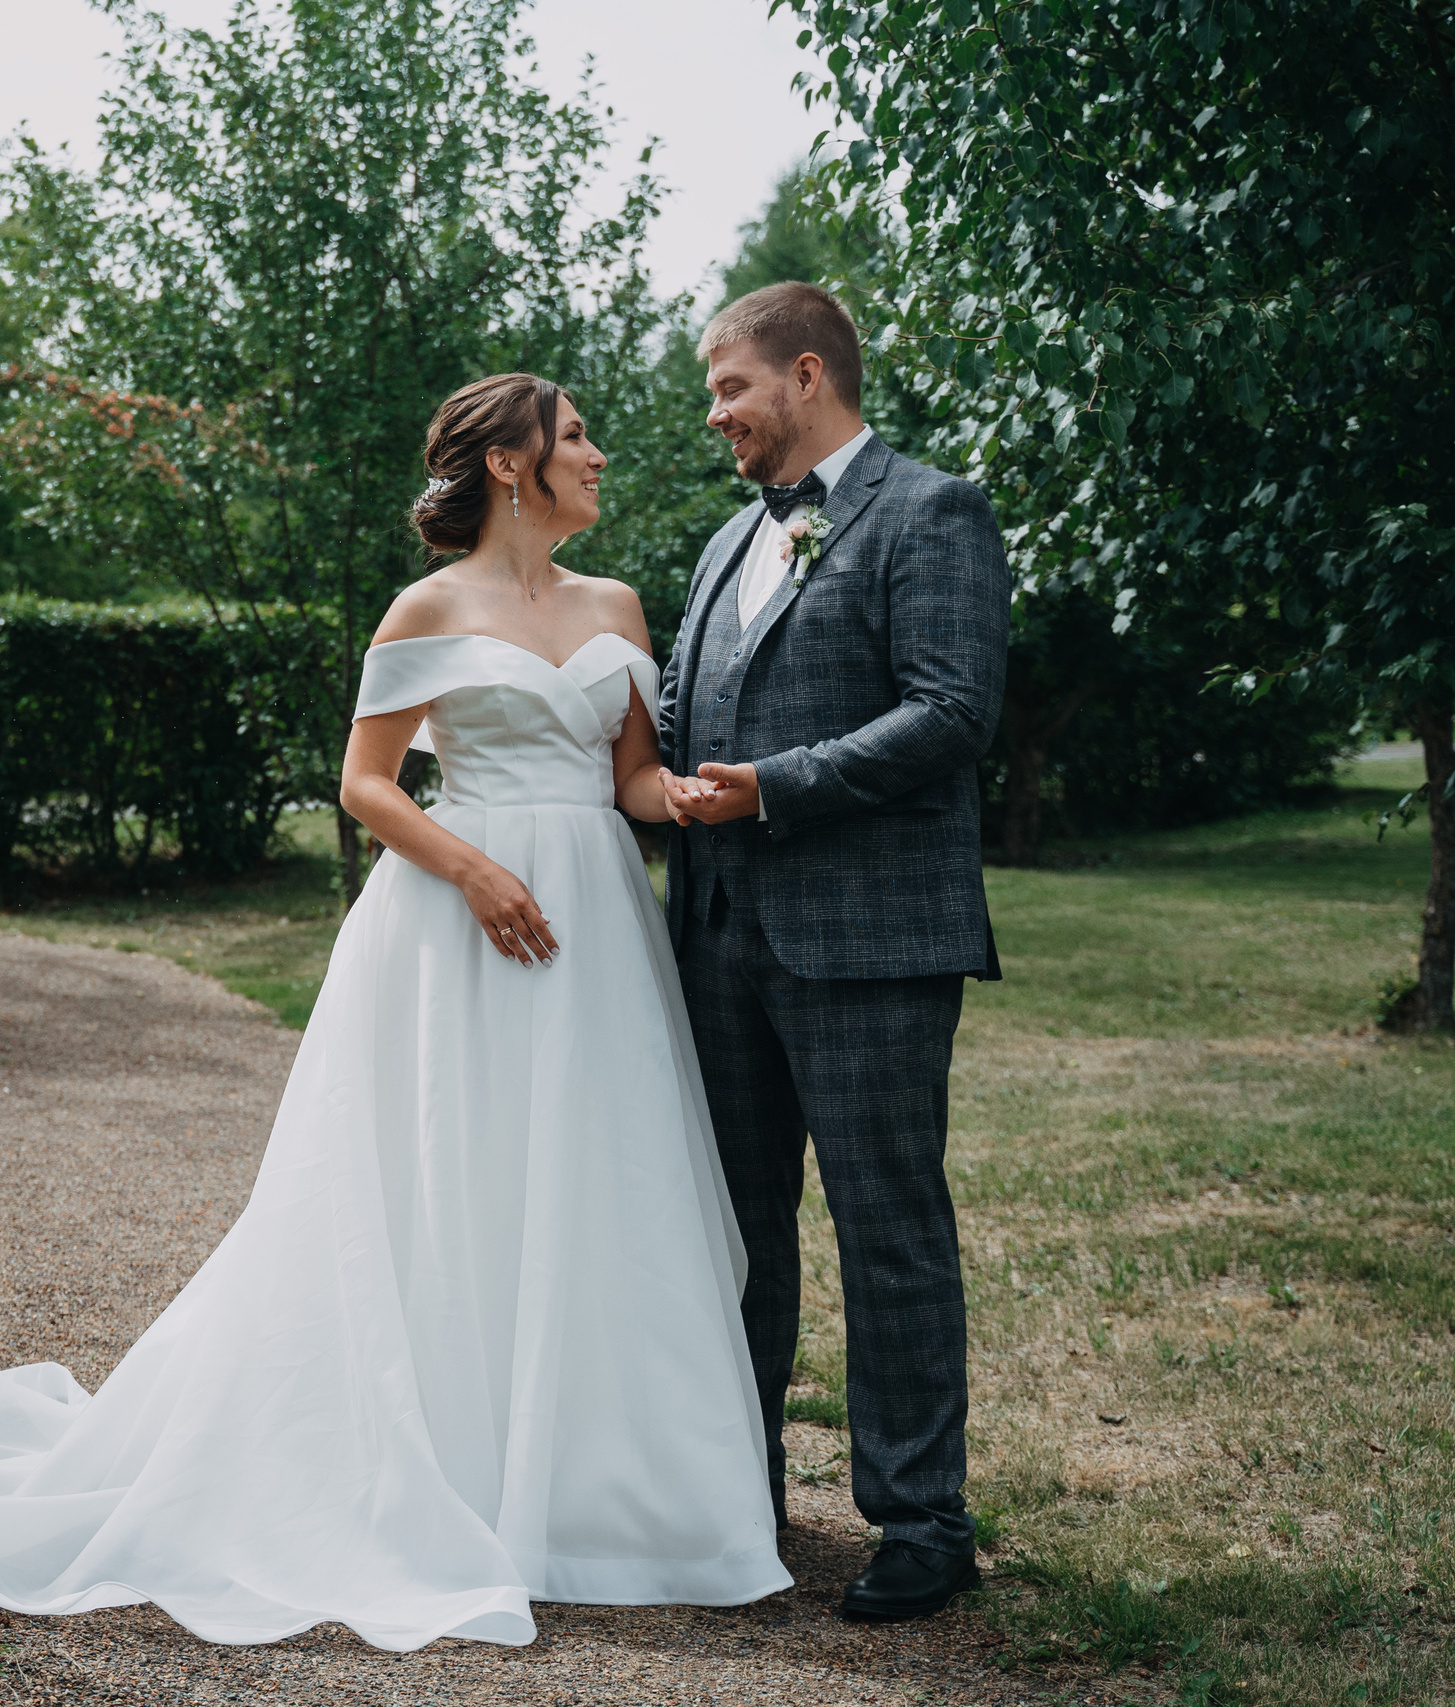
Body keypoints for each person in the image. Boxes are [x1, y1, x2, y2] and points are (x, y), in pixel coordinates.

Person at [0, 372, 792, 1651]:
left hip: (595, 922)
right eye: (576, 435)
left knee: (596, 1176)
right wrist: (474, 870)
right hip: (459, 921)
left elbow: (631, 779)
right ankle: (445, 1468)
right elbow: (365, 784)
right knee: (451, 1177)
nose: (598, 453)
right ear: (510, 462)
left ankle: (597, 1495)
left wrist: (695, 800)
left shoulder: (615, 605)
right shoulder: (427, 608)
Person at [656, 281, 1010, 1622]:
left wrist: (775, 786)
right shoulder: (722, 542)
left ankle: (921, 1521)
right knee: (733, 1233)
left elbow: (951, 711)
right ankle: (733, 1497)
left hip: (870, 941)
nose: (715, 414)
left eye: (729, 387)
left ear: (807, 375)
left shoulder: (931, 511)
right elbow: (680, 718)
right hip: (716, 944)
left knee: (887, 1230)